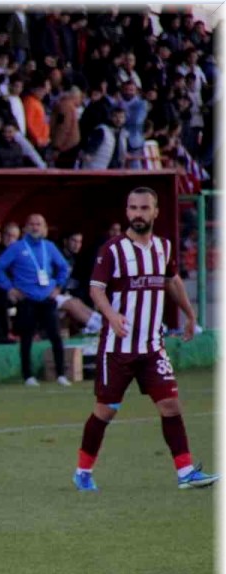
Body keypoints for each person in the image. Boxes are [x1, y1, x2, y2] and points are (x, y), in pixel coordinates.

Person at [72, 187, 217, 492]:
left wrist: (190, 316)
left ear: (155, 212)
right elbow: (96, 288)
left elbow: (172, 280)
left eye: (144, 208)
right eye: (133, 208)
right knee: (106, 410)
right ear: (127, 212)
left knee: (171, 405)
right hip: (117, 348)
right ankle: (83, 471)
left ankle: (186, 472)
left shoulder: (163, 247)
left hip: (152, 347)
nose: (138, 214)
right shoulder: (112, 250)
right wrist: (112, 315)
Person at [0, 213, 71, 387]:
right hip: (27, 299)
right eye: (32, 224)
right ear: (25, 228)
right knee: (26, 337)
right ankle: (28, 376)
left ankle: (61, 375)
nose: (35, 227)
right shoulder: (17, 247)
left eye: (39, 224)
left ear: (44, 228)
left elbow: (64, 267)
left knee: (55, 336)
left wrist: (58, 287)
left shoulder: (49, 247)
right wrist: (10, 288)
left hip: (47, 298)